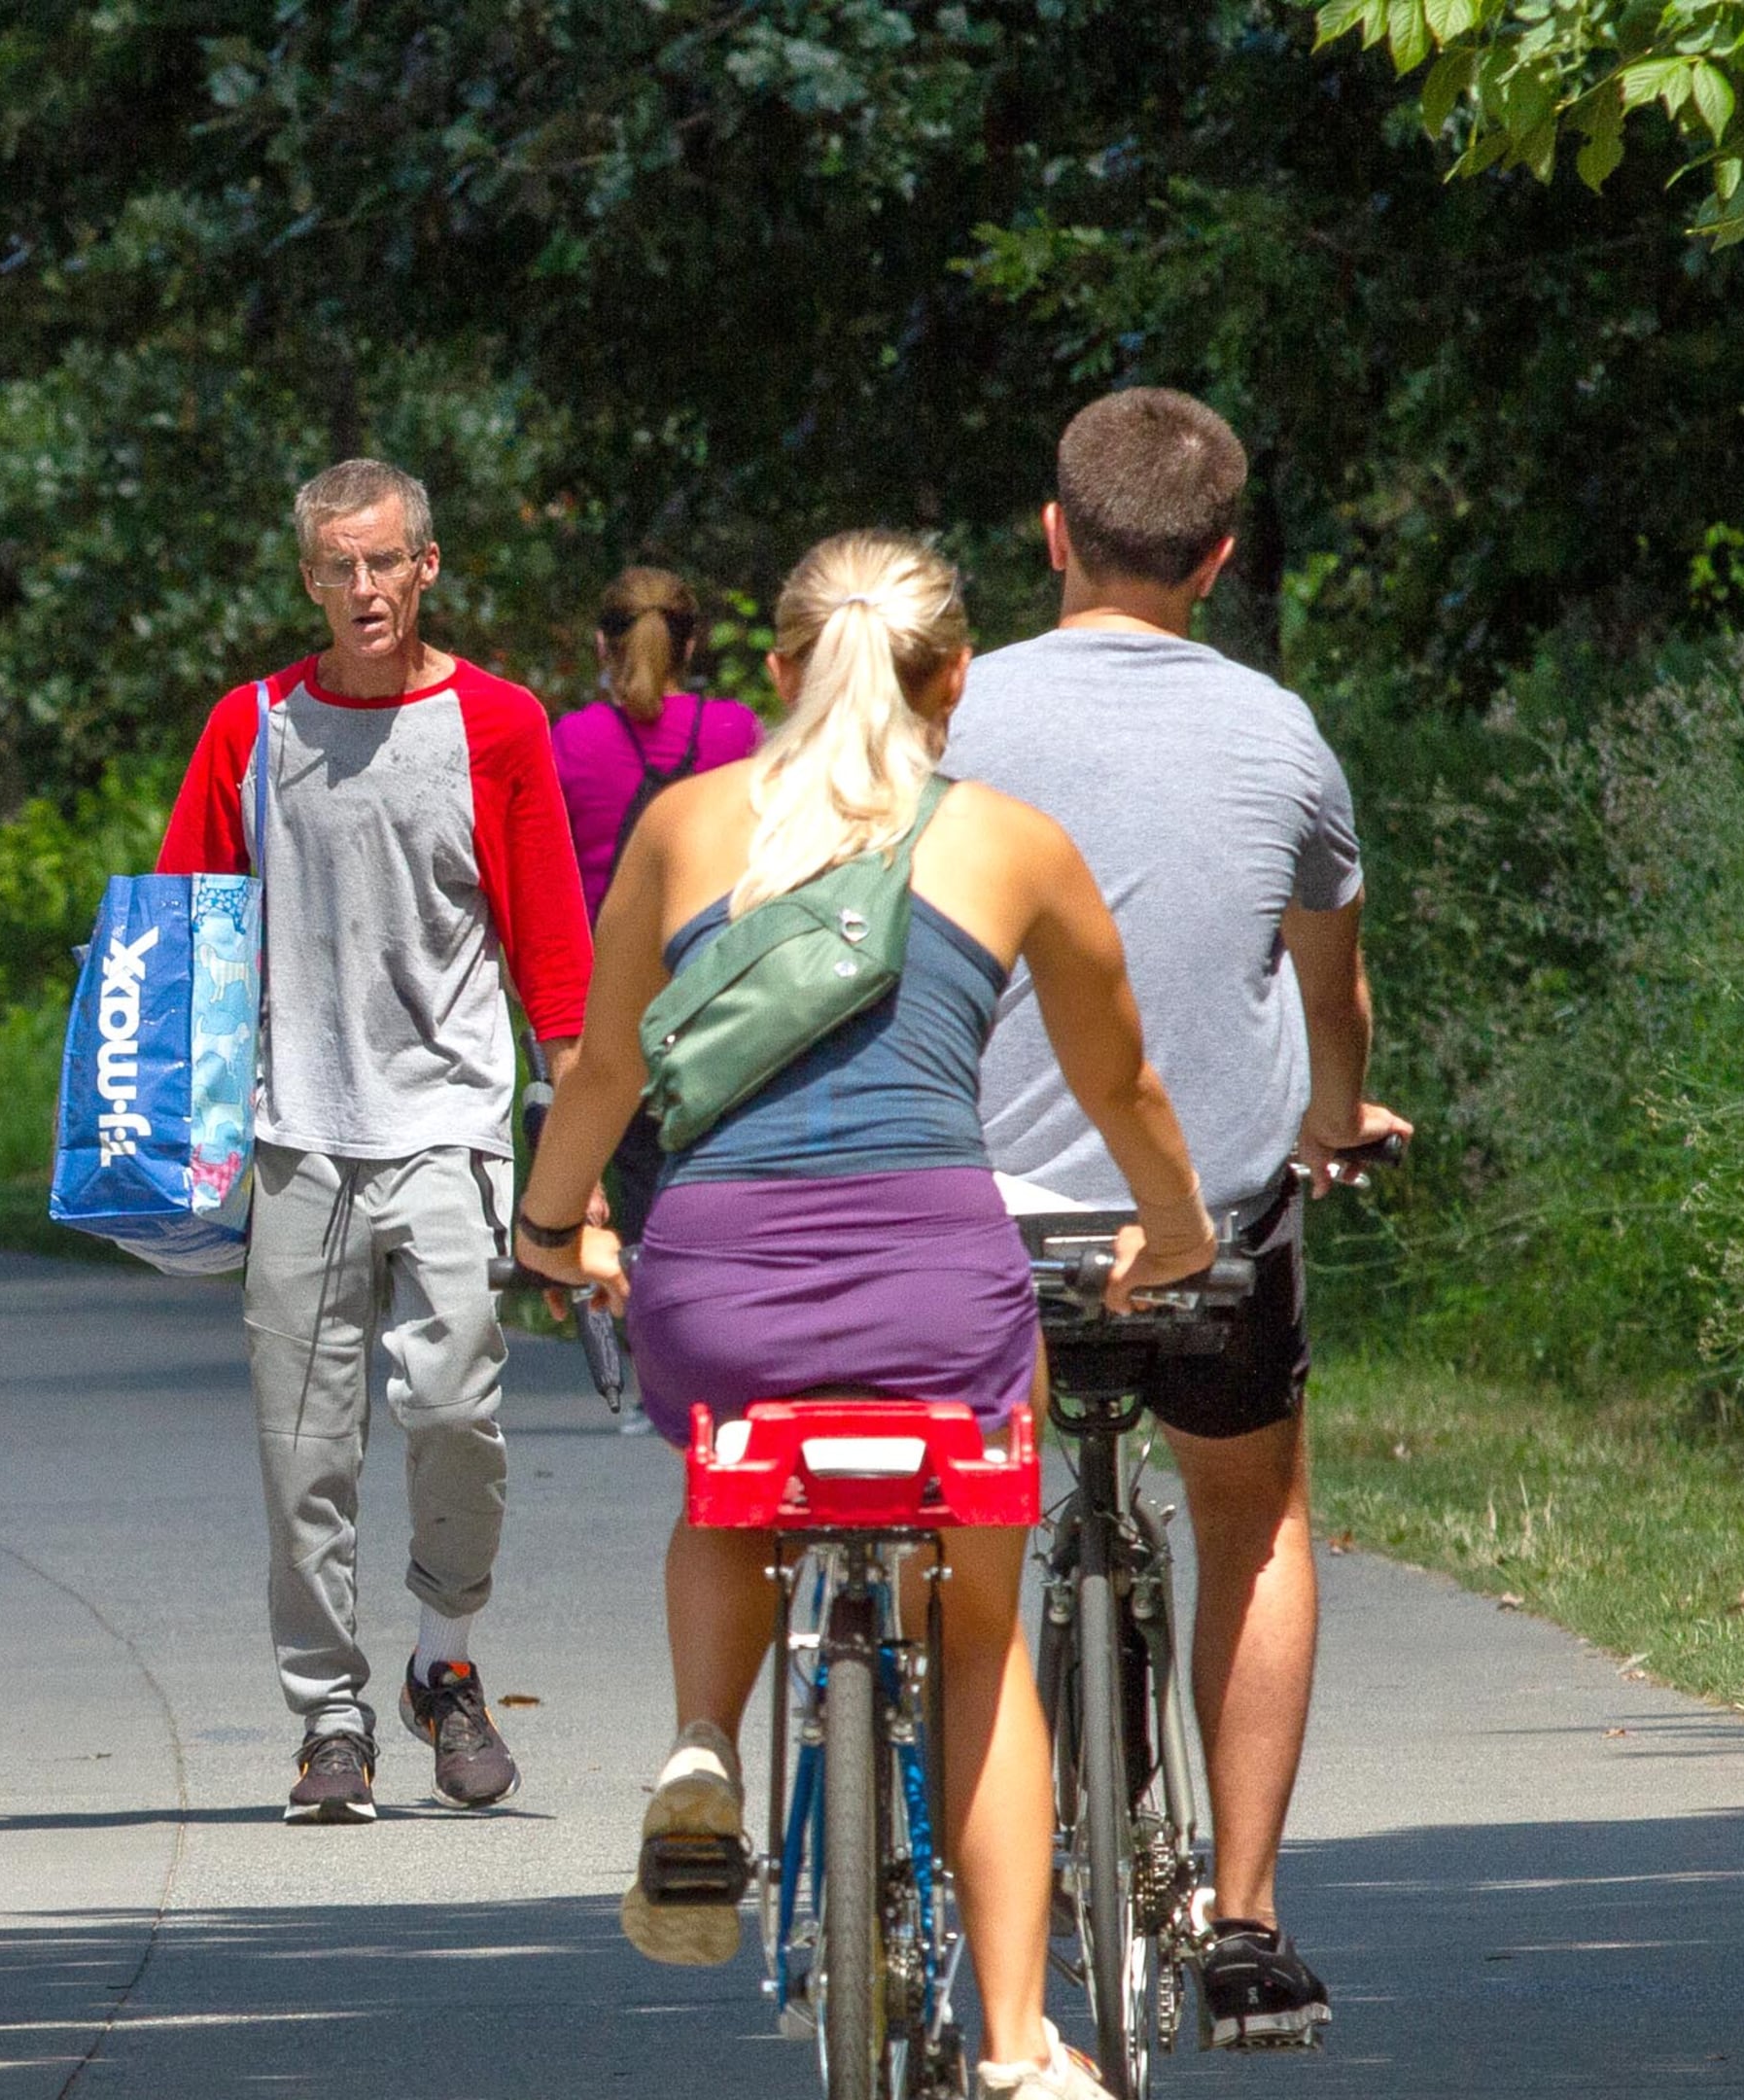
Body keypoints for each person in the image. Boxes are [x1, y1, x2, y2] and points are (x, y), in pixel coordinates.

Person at [516, 528, 1216, 2100]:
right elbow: (1123, 1084)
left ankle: (704, 1737)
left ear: (772, 672)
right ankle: (1023, 2047)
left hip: (718, 1285)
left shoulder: (688, 825)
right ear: (958, 676)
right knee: (980, 1643)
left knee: (729, 1471)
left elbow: (607, 1073)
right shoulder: (1013, 844)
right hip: (936, 1288)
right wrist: (1170, 1235)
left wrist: (555, 1228)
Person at [937, 387, 1404, 2049]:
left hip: (976, 1227)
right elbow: (1326, 997)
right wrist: (1336, 1120)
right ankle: (1248, 1917)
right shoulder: (1281, 735)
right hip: (1200, 1221)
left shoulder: (949, 712)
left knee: (959, 1542)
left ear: (1052, 534)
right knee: (1254, 1515)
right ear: (1214, 556)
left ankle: (949, 1898)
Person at [150, 458, 591, 1824]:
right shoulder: (253, 725)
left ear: (427, 567)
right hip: (295, 1131)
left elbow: (554, 952)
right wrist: (158, 1132)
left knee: (457, 1408)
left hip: (450, 1117)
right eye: (337, 568)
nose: (362, 591)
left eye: (384, 563)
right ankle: (329, 1718)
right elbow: (181, 930)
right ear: (309, 580)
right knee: (305, 1449)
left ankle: (440, 1661)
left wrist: (586, 1171)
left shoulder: (499, 724)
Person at [550, 568, 764, 921]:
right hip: (712, 964)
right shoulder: (737, 730)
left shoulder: (574, 738)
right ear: (689, 647)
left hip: (604, 968)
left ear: (603, 646)